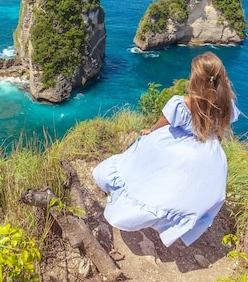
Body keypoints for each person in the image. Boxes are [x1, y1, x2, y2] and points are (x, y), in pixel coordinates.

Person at [92, 51, 240, 247]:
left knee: (143, 163)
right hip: (208, 150)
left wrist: (150, 130)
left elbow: (165, 121)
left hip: (178, 147)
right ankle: (176, 222)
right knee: (188, 188)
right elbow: (220, 131)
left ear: (195, 78)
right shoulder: (226, 103)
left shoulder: (184, 103)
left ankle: (135, 211)